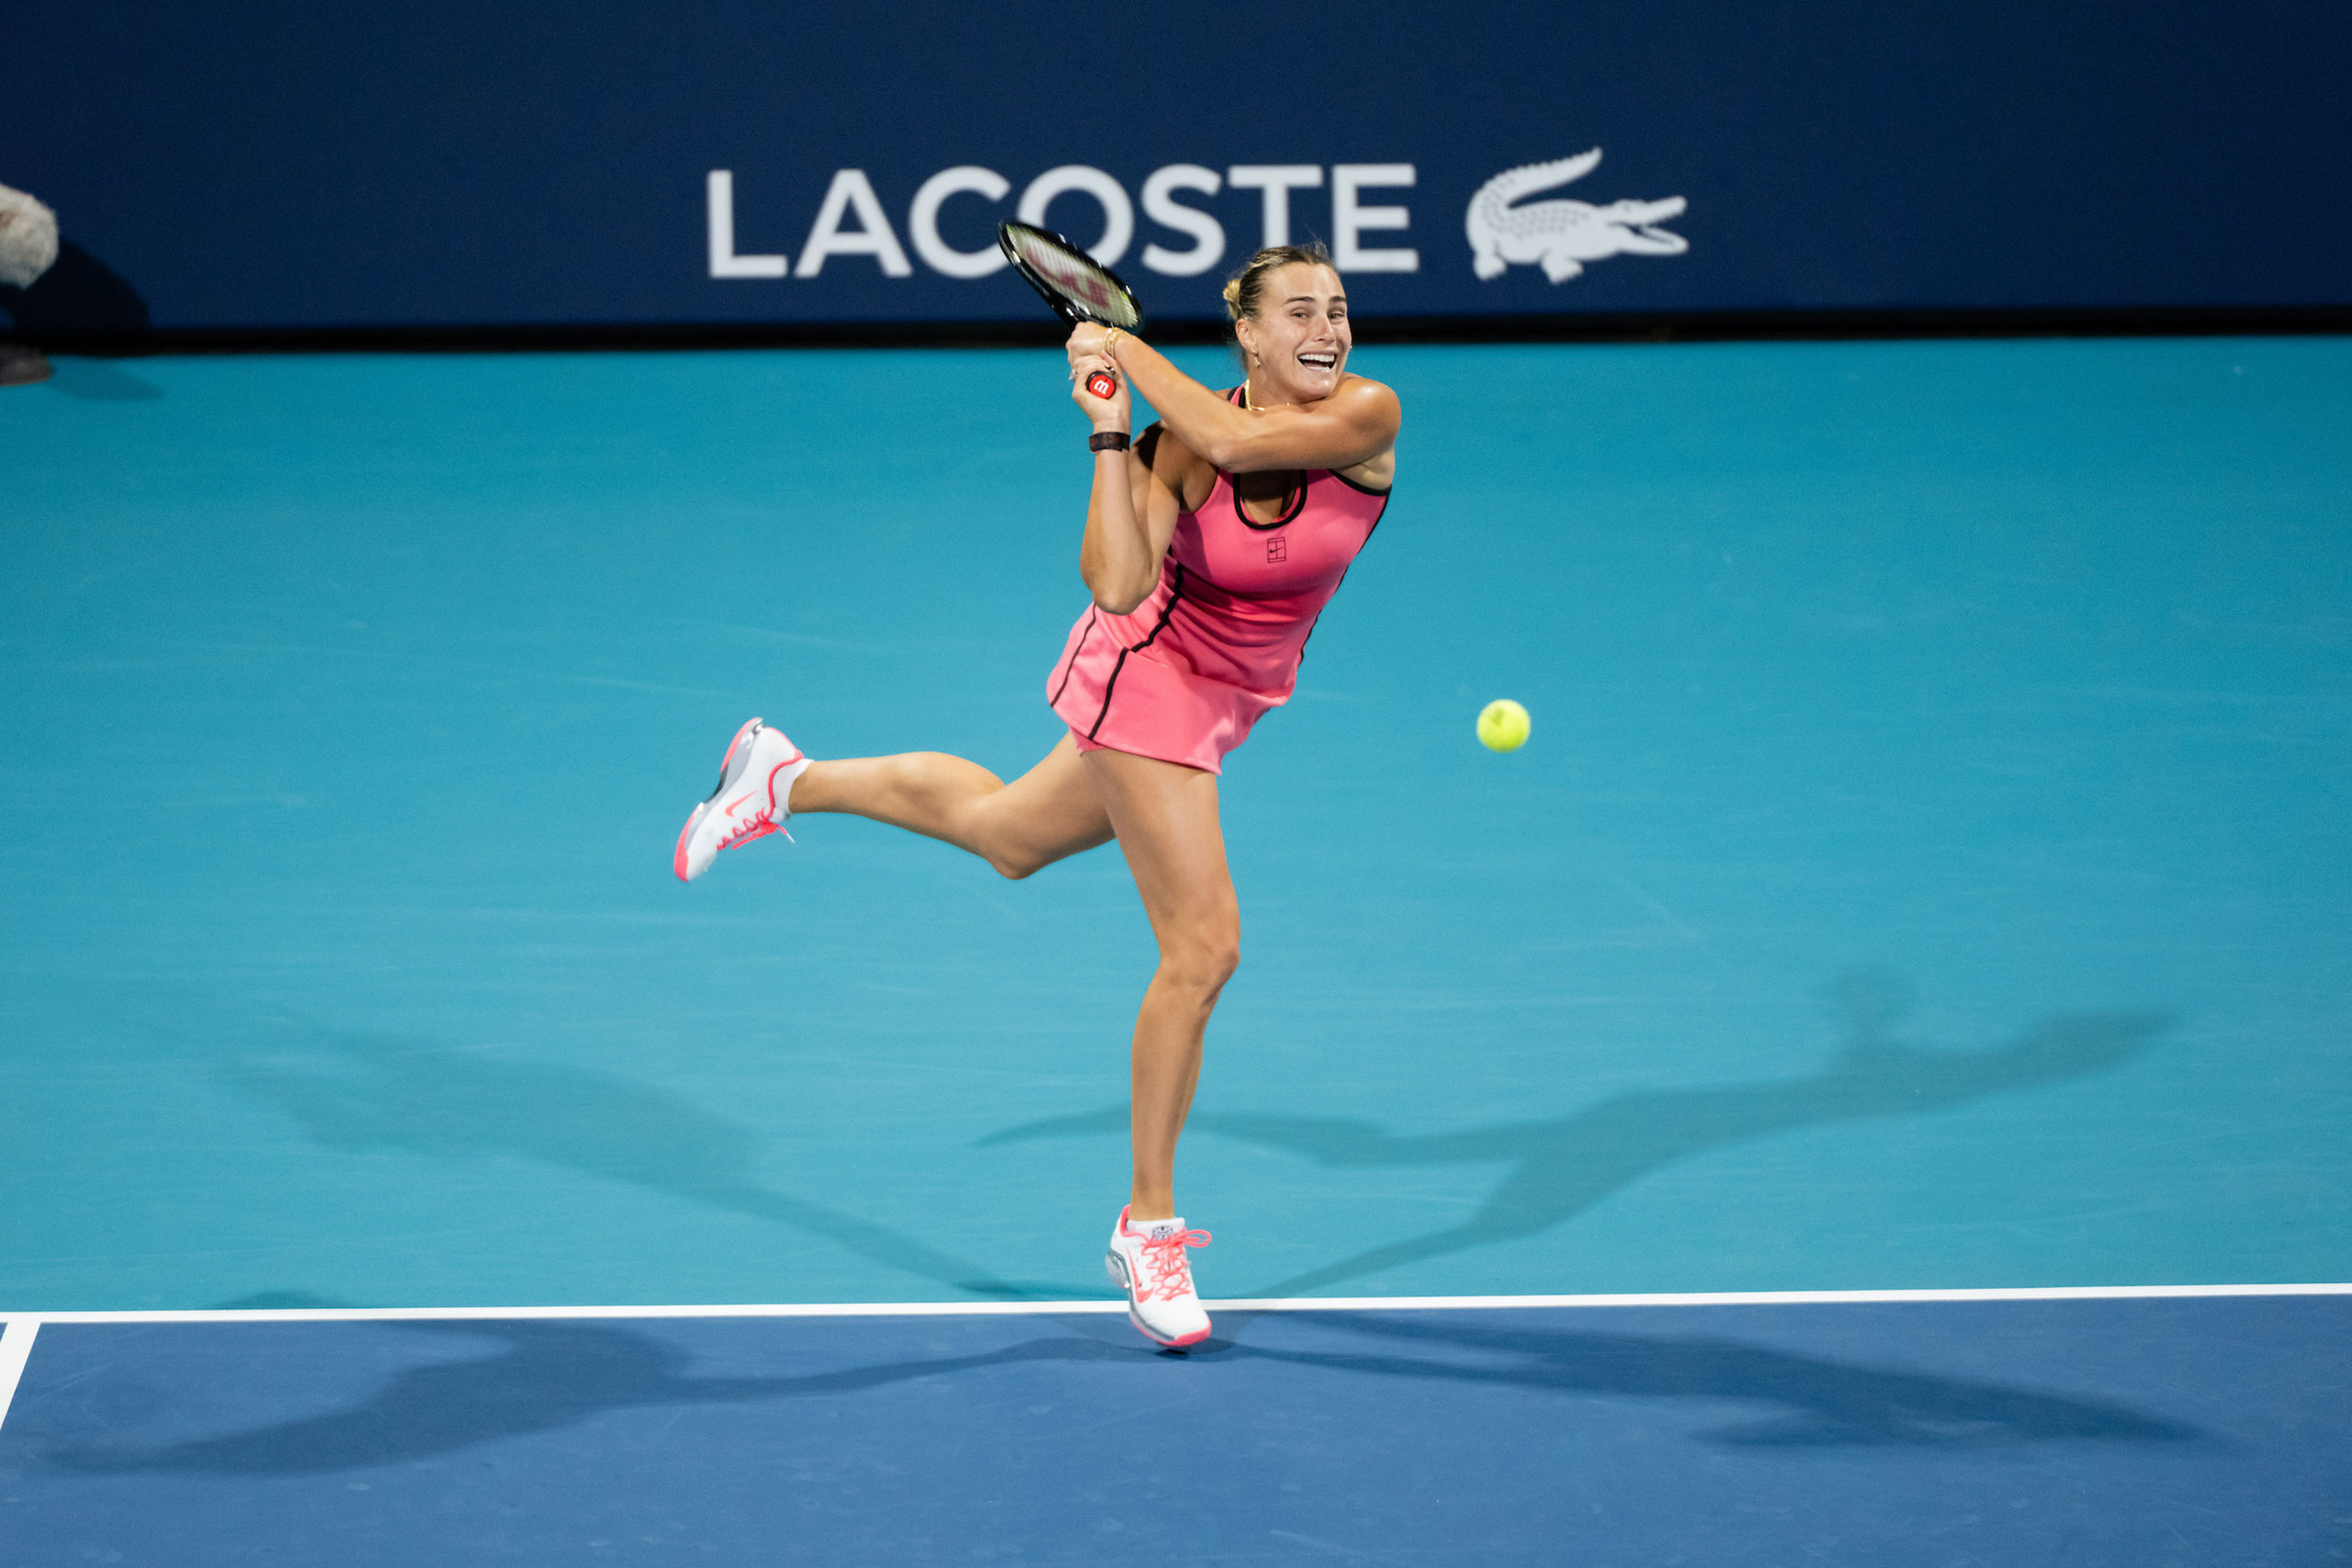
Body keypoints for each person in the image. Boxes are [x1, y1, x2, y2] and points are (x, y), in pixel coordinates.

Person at [673, 243, 1399, 1348]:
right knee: (1203, 950)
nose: (1327, 329)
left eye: (1337, 309)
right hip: (1145, 682)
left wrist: (1123, 351)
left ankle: (783, 775)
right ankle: (1147, 1227)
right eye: (1298, 311)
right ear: (1247, 334)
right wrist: (1108, 433)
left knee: (1006, 836)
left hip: (1232, 699)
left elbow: (1243, 441)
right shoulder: (1177, 446)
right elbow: (1116, 582)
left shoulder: (1366, 417)